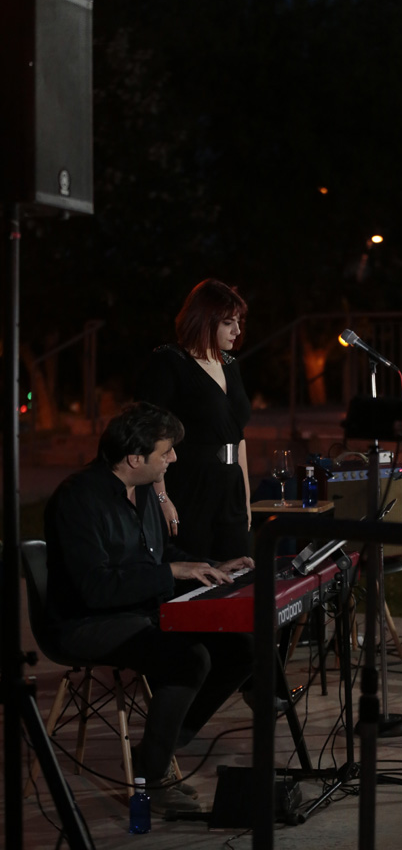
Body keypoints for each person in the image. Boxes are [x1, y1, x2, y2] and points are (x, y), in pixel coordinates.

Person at [45, 402, 255, 813]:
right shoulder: (78, 499)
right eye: (166, 451)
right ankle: (152, 778)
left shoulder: (141, 490)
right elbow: (95, 588)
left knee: (241, 647)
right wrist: (171, 572)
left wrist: (210, 566)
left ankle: (161, 746)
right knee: (188, 659)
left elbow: (162, 555)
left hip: (138, 609)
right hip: (84, 621)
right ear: (134, 458)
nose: (173, 458)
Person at [136, 278, 251, 561]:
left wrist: (247, 500)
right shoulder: (170, 361)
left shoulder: (231, 365)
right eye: (228, 323)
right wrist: (161, 497)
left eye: (238, 322)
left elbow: (239, 438)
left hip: (231, 487)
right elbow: (150, 432)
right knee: (195, 569)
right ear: (204, 320)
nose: (237, 331)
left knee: (237, 571)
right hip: (189, 483)